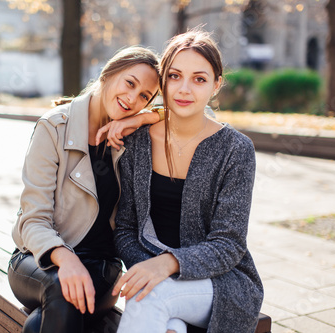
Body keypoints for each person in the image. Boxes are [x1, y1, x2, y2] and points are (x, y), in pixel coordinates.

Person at [112, 29, 264, 333]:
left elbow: (229, 244)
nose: (184, 89)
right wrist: (151, 266)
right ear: (163, 80)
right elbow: (126, 229)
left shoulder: (236, 150)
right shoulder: (136, 144)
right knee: (170, 325)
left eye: (199, 79)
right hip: (157, 279)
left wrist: (168, 264)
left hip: (222, 284)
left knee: (148, 295)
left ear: (216, 85)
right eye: (175, 76)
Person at [8, 46, 161, 333]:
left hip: (100, 269)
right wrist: (66, 259)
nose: (132, 99)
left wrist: (144, 118)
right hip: (37, 260)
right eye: (130, 83)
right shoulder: (54, 127)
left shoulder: (134, 137)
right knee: (60, 286)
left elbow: (201, 111)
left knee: (41, 323)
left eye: (145, 96)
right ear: (108, 74)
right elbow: (33, 219)